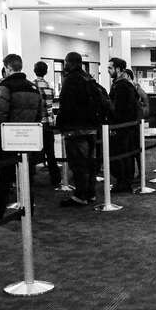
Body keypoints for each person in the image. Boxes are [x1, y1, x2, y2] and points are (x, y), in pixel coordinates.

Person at [0, 54, 43, 222]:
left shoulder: (5, 86)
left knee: (4, 180)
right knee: (27, 177)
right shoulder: (33, 87)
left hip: (9, 140)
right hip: (29, 140)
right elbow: (38, 115)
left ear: (7, 68)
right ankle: (28, 209)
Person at [56, 52, 99, 206]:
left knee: (78, 164)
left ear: (70, 63)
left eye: (65, 62)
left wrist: (60, 123)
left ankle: (80, 195)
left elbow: (65, 105)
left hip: (75, 128)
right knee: (90, 163)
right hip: (91, 128)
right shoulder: (89, 78)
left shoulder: (71, 80)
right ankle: (90, 193)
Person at [108, 58, 137, 192]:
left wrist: (113, 125)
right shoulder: (128, 85)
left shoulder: (120, 86)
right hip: (128, 126)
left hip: (121, 127)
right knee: (127, 154)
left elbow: (117, 108)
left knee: (121, 155)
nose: (108, 71)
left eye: (110, 68)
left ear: (118, 69)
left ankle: (123, 181)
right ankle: (126, 180)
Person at [32, 61, 61, 187]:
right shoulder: (50, 87)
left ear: (34, 70)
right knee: (51, 153)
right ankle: (55, 179)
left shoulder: (32, 86)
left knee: (32, 154)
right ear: (46, 71)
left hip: (37, 124)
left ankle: (30, 180)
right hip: (49, 123)